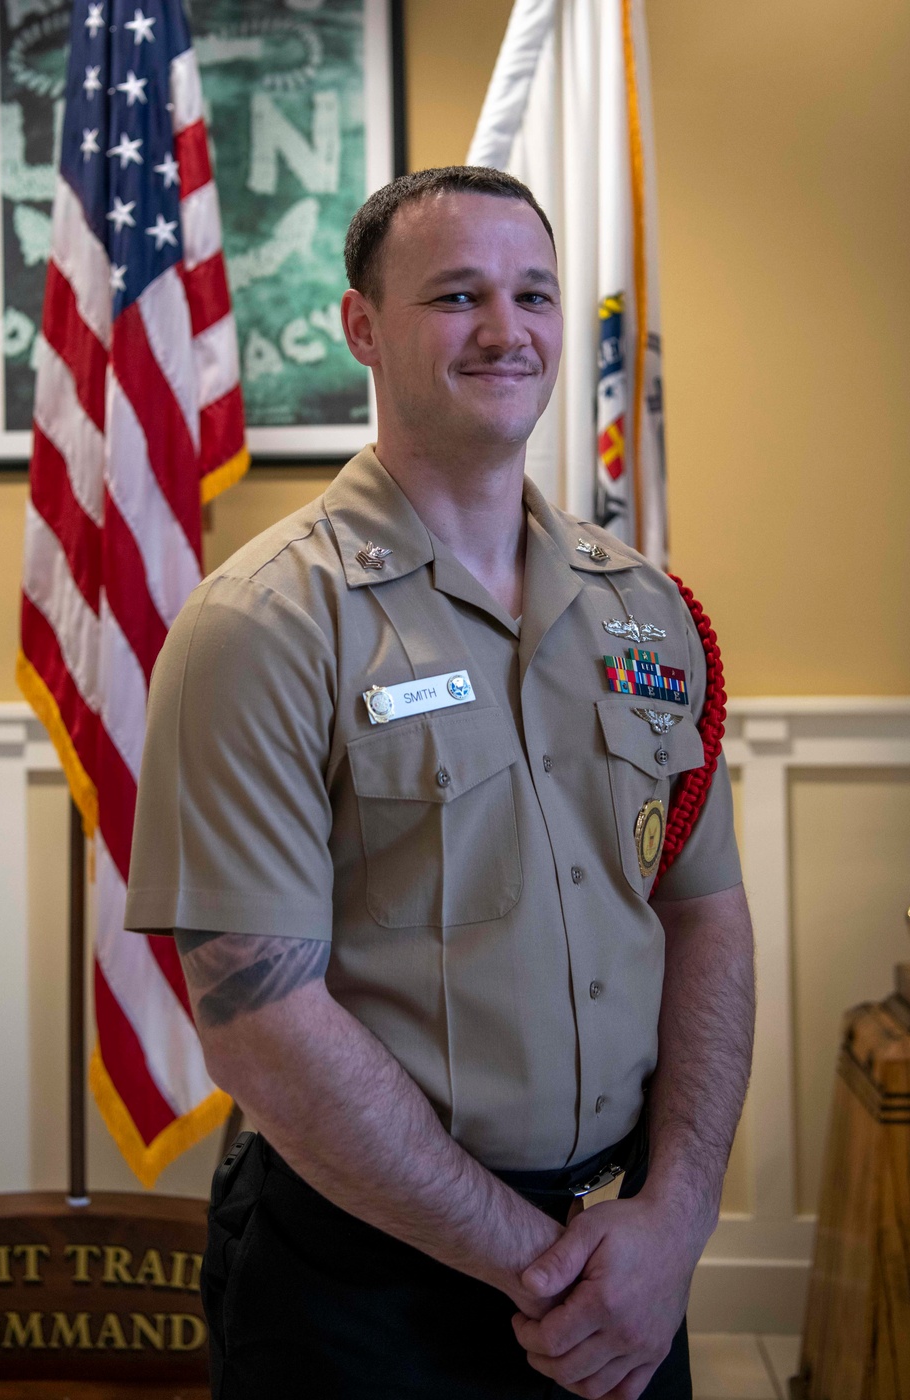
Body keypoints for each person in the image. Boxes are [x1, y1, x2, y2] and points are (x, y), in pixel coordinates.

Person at [125, 165, 755, 1400]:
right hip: (359, 1281)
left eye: (532, 294)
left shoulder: (648, 612)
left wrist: (674, 1218)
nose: (505, 329)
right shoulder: (261, 624)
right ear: (362, 326)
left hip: (623, 1259)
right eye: (456, 295)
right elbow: (261, 1015)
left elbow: (703, 914)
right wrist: (547, 1273)